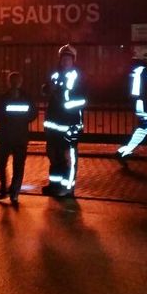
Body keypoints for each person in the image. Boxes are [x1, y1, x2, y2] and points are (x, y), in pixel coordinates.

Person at [41, 44, 86, 197]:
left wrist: (62, 98)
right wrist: (47, 89)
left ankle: (67, 189)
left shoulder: (77, 77)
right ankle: (54, 185)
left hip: (70, 124)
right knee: (54, 157)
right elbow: (45, 90)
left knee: (69, 158)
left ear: (73, 60)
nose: (65, 61)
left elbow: (80, 100)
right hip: (54, 125)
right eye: (63, 58)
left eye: (68, 58)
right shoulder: (56, 75)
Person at [0, 71, 37, 206]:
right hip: (20, 136)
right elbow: (33, 115)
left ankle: (4, 188)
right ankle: (14, 192)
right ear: (20, 82)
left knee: (0, 162)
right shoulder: (26, 98)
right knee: (18, 165)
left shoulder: (3, 98)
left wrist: (7, 119)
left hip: (5, 135)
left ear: (8, 82)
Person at [116, 51, 147, 165]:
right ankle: (123, 151)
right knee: (144, 128)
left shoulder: (135, 70)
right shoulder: (144, 71)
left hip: (140, 103)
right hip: (144, 104)